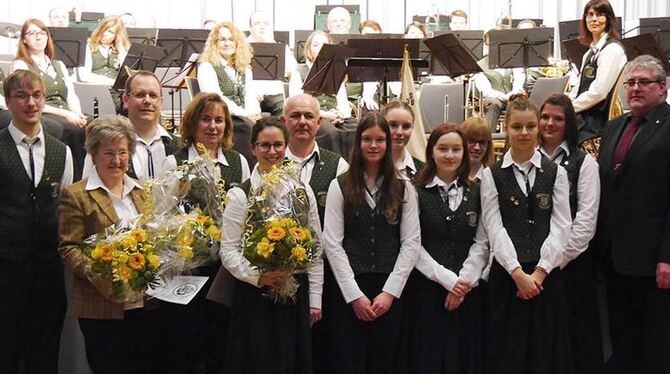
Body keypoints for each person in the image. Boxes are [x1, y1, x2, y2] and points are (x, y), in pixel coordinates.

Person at [217, 116, 323, 374]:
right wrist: (259, 277)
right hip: (254, 298)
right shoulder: (240, 194)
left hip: (295, 293)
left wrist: (315, 300)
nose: (272, 151)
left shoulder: (302, 190)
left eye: (278, 145)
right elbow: (228, 251)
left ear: (286, 147)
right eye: (265, 145)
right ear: (253, 148)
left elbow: (316, 247)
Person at [59, 115, 159, 374]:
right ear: (93, 154)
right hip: (100, 305)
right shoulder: (76, 195)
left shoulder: (142, 192)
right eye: (109, 153)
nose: (117, 160)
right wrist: (106, 270)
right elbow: (69, 248)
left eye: (123, 152)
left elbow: (156, 240)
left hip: (144, 305)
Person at [322, 112, 421, 373]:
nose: (374, 145)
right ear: (358, 142)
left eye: (380, 139)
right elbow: (332, 242)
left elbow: (411, 243)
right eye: (367, 139)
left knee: (388, 360)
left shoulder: (403, 186)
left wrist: (390, 293)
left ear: (388, 144)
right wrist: (354, 295)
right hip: (350, 288)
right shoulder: (339, 185)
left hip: (390, 289)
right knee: (349, 359)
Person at [480, 95, 573, 373]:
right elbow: (494, 228)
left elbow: (561, 226)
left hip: (545, 279)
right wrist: (518, 273)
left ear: (538, 129)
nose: (524, 133)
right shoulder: (491, 175)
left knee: (545, 354)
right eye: (517, 127)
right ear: (506, 127)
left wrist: (540, 272)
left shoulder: (556, 173)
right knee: (508, 354)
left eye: (530, 126)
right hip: (508, 278)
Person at [159, 92, 250, 374]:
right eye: (206, 119)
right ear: (192, 122)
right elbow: (163, 217)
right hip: (188, 270)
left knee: (219, 346)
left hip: (225, 271)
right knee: (185, 346)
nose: (213, 126)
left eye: (219, 121)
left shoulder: (238, 162)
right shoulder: (175, 161)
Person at [596, 54, 670, 373]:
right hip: (613, 255)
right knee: (622, 338)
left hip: (652, 259)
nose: (636, 88)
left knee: (654, 341)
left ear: (662, 89)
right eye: (631, 83)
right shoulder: (614, 127)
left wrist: (667, 256)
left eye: (644, 82)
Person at [0, 69, 73, 374]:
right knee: (5, 351)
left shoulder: (62, 150)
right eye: (21, 96)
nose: (30, 103)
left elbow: (66, 207)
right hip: (5, 267)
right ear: (8, 102)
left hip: (47, 270)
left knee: (45, 352)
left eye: (36, 95)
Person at [408, 123, 489, 374]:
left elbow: (482, 242)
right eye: (443, 149)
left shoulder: (477, 190)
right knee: (429, 356)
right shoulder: (414, 190)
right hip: (427, 290)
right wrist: (446, 280)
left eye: (456, 149)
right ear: (431, 152)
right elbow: (413, 243)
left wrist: (463, 282)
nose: (450, 155)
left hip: (468, 291)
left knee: (465, 356)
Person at [281, 94, 348, 374]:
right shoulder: (269, 160)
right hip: (280, 277)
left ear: (319, 122)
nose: (302, 122)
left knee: (322, 353)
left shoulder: (338, 166)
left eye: (308, 116)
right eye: (295, 116)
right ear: (285, 121)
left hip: (326, 275)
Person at [538, 93, 602, 374]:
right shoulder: (527, 156)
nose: (549, 123)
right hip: (534, 264)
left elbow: (586, 221)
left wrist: (555, 261)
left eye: (558, 119)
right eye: (545, 117)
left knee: (574, 333)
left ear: (569, 124)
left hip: (571, 265)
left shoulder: (584, 162)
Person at [12, 18, 87, 179]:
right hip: (41, 111)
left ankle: (90, 177)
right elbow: (30, 100)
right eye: (32, 33)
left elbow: (71, 94)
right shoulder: (21, 65)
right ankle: (72, 180)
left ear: (48, 37)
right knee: (71, 130)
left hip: (65, 109)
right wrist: (67, 115)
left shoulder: (58, 64)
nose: (38, 37)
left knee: (94, 125)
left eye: (41, 33)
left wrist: (77, 113)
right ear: (24, 39)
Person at [82, 70, 178, 180]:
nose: (147, 101)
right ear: (126, 100)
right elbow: (85, 191)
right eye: (140, 95)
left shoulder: (179, 146)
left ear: (161, 102)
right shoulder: (103, 143)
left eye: (153, 95)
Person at [571, 0, 626, 147]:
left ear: (608, 19)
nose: (594, 19)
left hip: (595, 119)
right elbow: (577, 87)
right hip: (583, 114)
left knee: (546, 129)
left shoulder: (612, 50)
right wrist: (563, 103)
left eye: (600, 15)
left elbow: (599, 92)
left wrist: (569, 108)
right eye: (590, 15)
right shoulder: (589, 53)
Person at [198, 22, 261, 122]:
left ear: (237, 43)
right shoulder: (206, 67)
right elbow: (216, 99)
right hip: (222, 118)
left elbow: (250, 95)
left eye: (231, 39)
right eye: (222, 40)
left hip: (245, 117)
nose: (227, 44)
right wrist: (245, 115)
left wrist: (254, 113)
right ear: (214, 43)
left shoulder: (245, 68)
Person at [247, 10, 300, 116]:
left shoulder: (280, 47)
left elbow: (292, 70)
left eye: (265, 23)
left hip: (274, 95)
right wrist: (249, 92)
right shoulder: (242, 47)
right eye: (257, 23)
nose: (262, 27)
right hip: (250, 94)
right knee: (251, 114)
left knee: (284, 114)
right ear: (250, 28)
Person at [473, 29, 526, 132]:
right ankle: (488, 139)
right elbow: (485, 89)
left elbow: (519, 79)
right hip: (493, 98)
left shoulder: (513, 60)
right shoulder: (480, 65)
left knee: (518, 104)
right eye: (490, 44)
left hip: (512, 97)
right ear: (486, 45)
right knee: (494, 104)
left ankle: (512, 142)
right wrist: (503, 97)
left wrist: (512, 94)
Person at [80, 15, 129, 86]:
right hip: (94, 89)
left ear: (117, 35)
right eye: (103, 30)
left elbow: (128, 76)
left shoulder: (121, 49)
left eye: (110, 32)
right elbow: (84, 76)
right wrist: (112, 82)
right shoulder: (88, 46)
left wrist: (121, 51)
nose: (104, 34)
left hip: (116, 93)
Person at [381, 100, 423, 179]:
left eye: (406, 127)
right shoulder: (365, 169)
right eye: (393, 125)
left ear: (412, 128)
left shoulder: (424, 173)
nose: (399, 132)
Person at [461, 116, 494, 182]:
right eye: (471, 141)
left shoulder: (494, 178)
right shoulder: (450, 176)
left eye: (482, 142)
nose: (477, 147)